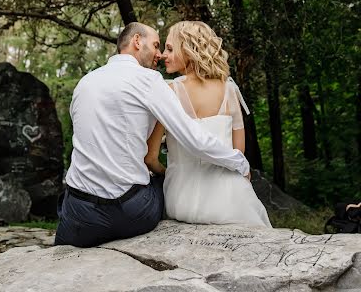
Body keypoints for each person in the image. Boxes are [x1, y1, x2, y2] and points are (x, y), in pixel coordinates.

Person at [55, 21, 250, 247]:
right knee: (156, 182)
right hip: (130, 213)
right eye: (157, 45)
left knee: (70, 202)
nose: (159, 54)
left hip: (81, 213)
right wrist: (239, 161)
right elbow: (194, 139)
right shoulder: (149, 80)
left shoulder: (84, 83)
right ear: (137, 41)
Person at [145, 21, 271, 227]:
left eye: (169, 48)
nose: (163, 56)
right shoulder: (229, 89)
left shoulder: (169, 92)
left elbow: (150, 157)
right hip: (231, 198)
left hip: (182, 197)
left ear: (189, 49)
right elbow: (238, 154)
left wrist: (170, 173)